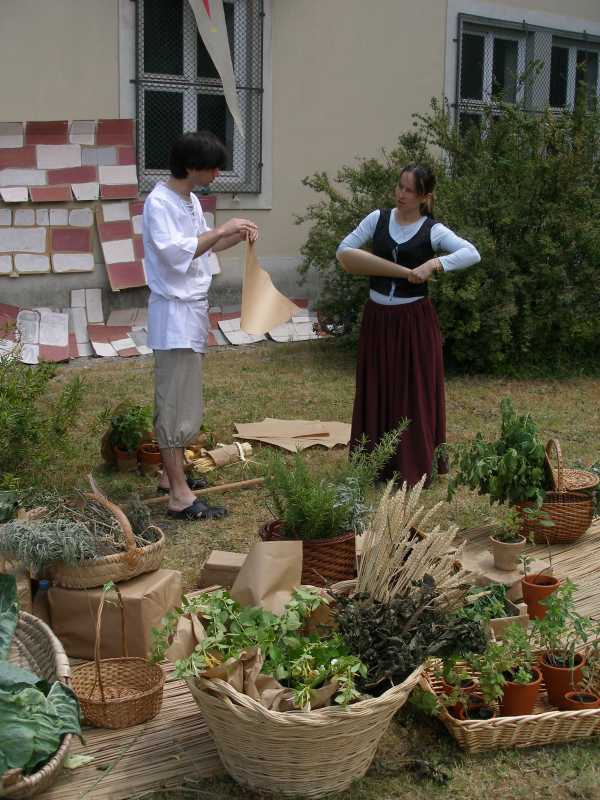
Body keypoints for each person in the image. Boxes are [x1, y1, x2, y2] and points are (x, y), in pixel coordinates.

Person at [336, 163, 481, 486]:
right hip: (377, 319)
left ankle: (411, 467)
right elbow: (344, 251)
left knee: (411, 393)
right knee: (376, 387)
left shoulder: (433, 230)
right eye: (399, 186)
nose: (401, 194)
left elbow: (471, 253)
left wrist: (434, 264)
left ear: (424, 197)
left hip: (413, 322)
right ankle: (374, 464)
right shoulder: (377, 219)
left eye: (409, 190)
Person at [143, 130, 258, 520]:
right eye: (212, 168)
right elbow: (176, 253)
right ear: (191, 167)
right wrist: (222, 229)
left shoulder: (189, 199)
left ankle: (169, 477)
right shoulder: (159, 203)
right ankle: (179, 496)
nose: (217, 174)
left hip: (189, 312)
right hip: (173, 314)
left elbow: (202, 244)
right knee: (174, 405)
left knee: (184, 400)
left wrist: (234, 235)